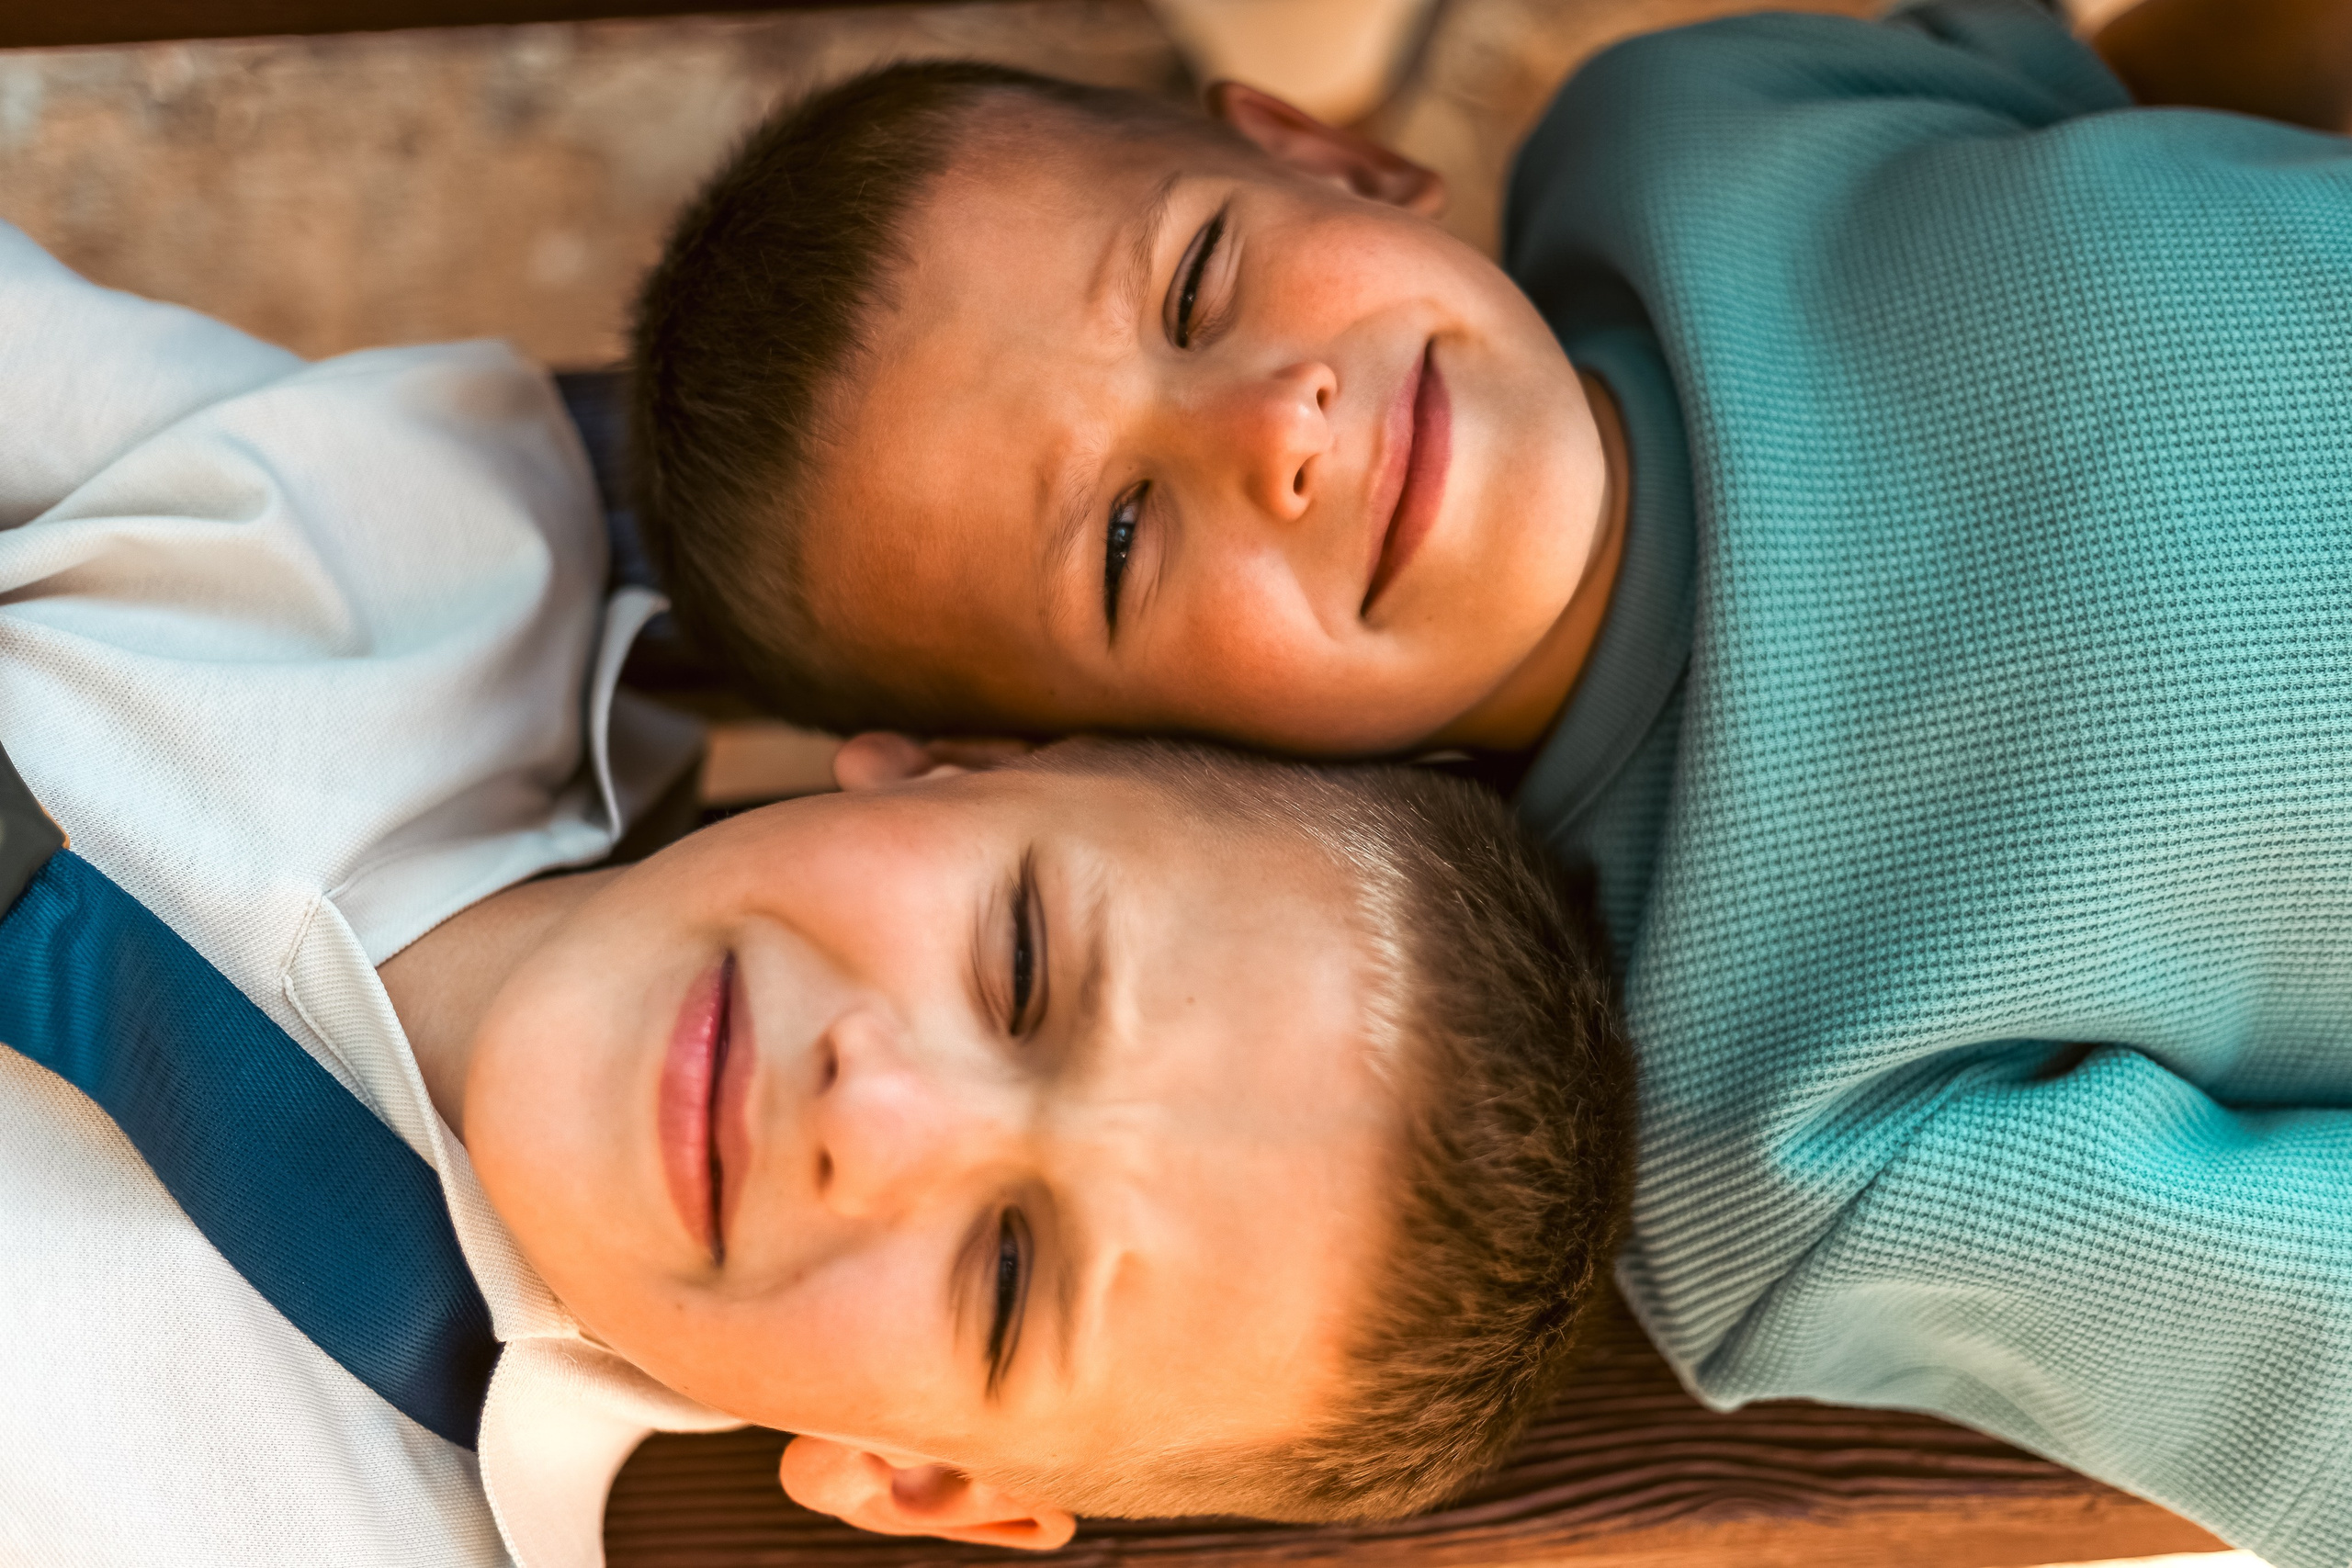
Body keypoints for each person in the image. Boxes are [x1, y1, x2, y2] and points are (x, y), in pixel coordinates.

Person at [622, 0, 2352, 1562]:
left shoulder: (1689, 116)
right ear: (1103, 771)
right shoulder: (1770, 1120)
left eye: (1199, 282)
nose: (1274, 426)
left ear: (1326, 154)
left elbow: (2167, 97)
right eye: (1128, 541)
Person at [0, 222, 1632, 1567]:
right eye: (1017, 967)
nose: (885, 1109)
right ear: (956, 766)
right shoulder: (419, 563)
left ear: (917, 1479)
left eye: (1007, 1272)